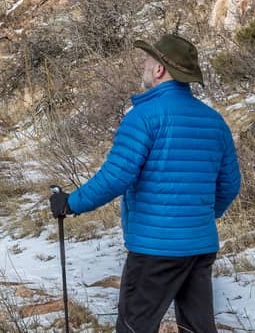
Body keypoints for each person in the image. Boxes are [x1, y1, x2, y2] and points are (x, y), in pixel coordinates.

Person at [49, 34, 242, 333]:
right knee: (197, 328)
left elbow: (116, 177)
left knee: (135, 327)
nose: (143, 64)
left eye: (148, 60)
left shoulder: (143, 117)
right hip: (200, 246)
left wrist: (70, 203)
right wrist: (197, 217)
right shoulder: (215, 121)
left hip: (155, 249)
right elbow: (230, 185)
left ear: (160, 70)